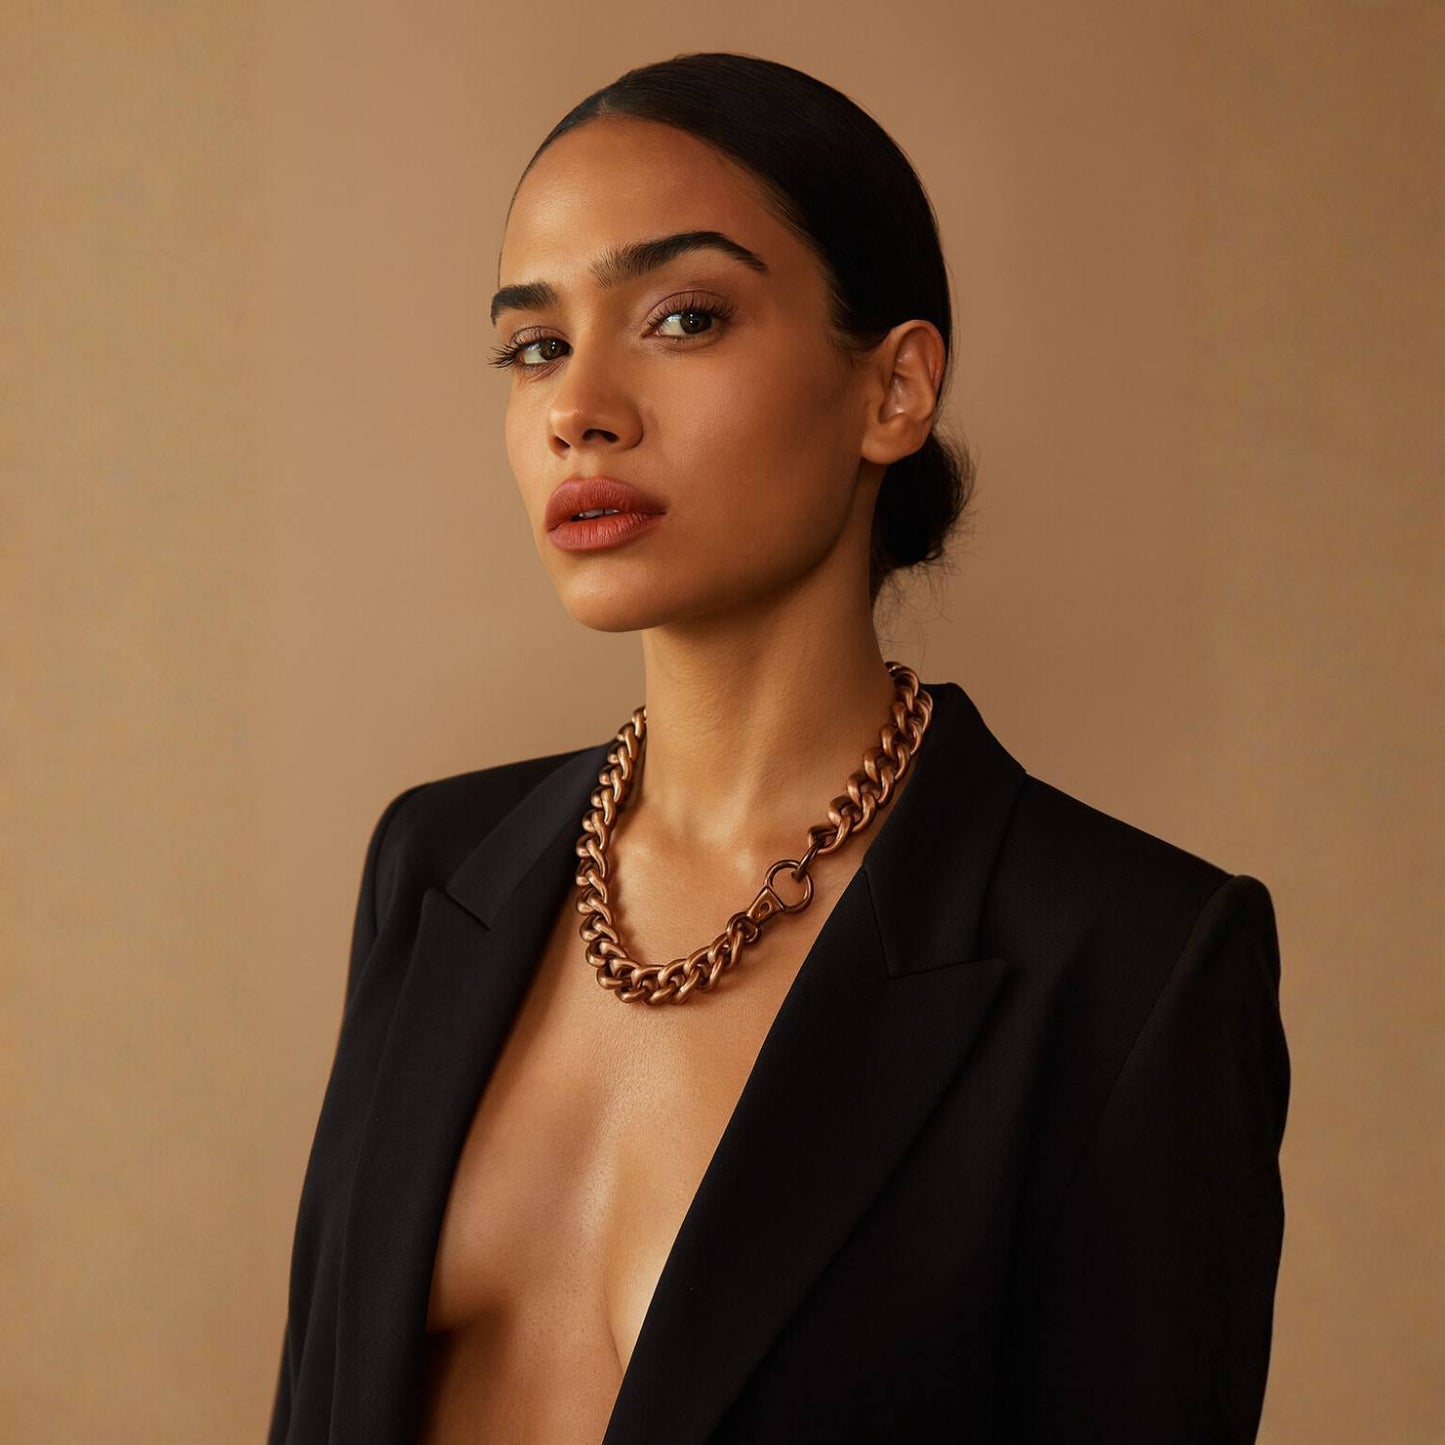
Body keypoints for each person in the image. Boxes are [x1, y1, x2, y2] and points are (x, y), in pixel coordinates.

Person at [268, 52, 1290, 1445]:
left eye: (682, 318)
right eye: (535, 346)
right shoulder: (437, 867)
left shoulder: (1131, 963)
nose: (579, 406)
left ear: (894, 390)